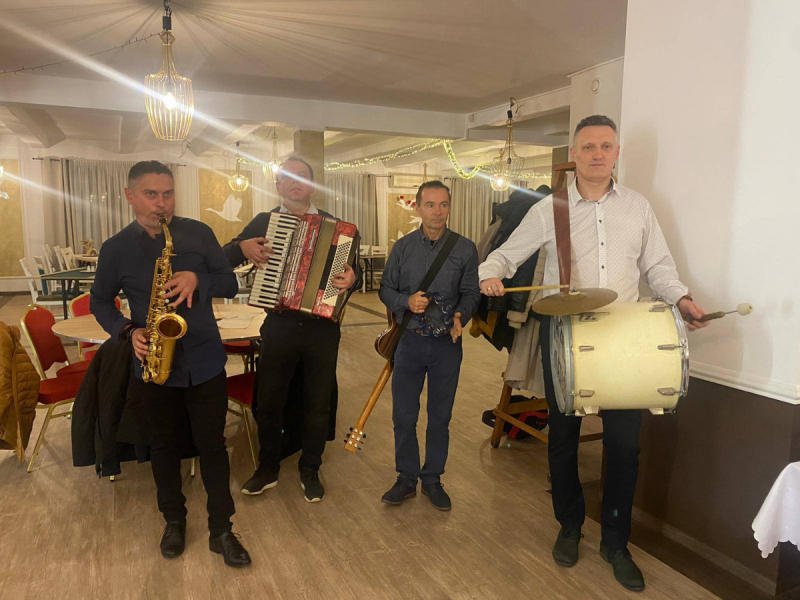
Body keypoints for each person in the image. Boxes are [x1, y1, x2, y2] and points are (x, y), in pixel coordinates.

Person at [480, 115, 710, 592]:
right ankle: (569, 525)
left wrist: (682, 299)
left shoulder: (638, 207)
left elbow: (659, 267)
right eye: (588, 146)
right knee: (563, 439)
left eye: (606, 146)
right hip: (565, 334)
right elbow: (506, 253)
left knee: (624, 446)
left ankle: (616, 542)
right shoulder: (550, 209)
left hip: (624, 337)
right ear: (575, 154)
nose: (597, 154)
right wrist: (491, 272)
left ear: (616, 153)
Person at [90, 161, 251, 567]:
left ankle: (222, 529)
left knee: (213, 446)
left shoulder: (198, 233)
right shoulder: (115, 248)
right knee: (163, 447)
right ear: (130, 196)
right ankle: (174, 521)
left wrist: (199, 279)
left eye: (168, 193)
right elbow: (99, 301)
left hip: (206, 360)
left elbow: (230, 282)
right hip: (154, 365)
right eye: (151, 194)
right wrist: (127, 331)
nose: (161, 203)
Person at [222, 157, 358, 503]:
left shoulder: (336, 228)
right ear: (278, 185)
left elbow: (346, 276)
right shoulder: (264, 221)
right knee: (269, 401)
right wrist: (241, 247)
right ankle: (267, 467)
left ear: (312, 184)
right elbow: (223, 258)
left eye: (302, 176)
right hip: (279, 324)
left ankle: (310, 468)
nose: (295, 182)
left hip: (321, 328)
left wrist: (352, 279)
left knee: (317, 402)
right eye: (288, 177)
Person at [378, 180, 480, 511]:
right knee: (404, 415)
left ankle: (433, 479)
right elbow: (385, 289)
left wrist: (461, 315)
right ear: (418, 207)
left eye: (443, 204)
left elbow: (471, 292)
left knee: (440, 416)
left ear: (449, 207)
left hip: (446, 345)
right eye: (431, 205)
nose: (438, 212)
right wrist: (405, 301)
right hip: (408, 342)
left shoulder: (465, 248)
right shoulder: (403, 247)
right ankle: (406, 479)